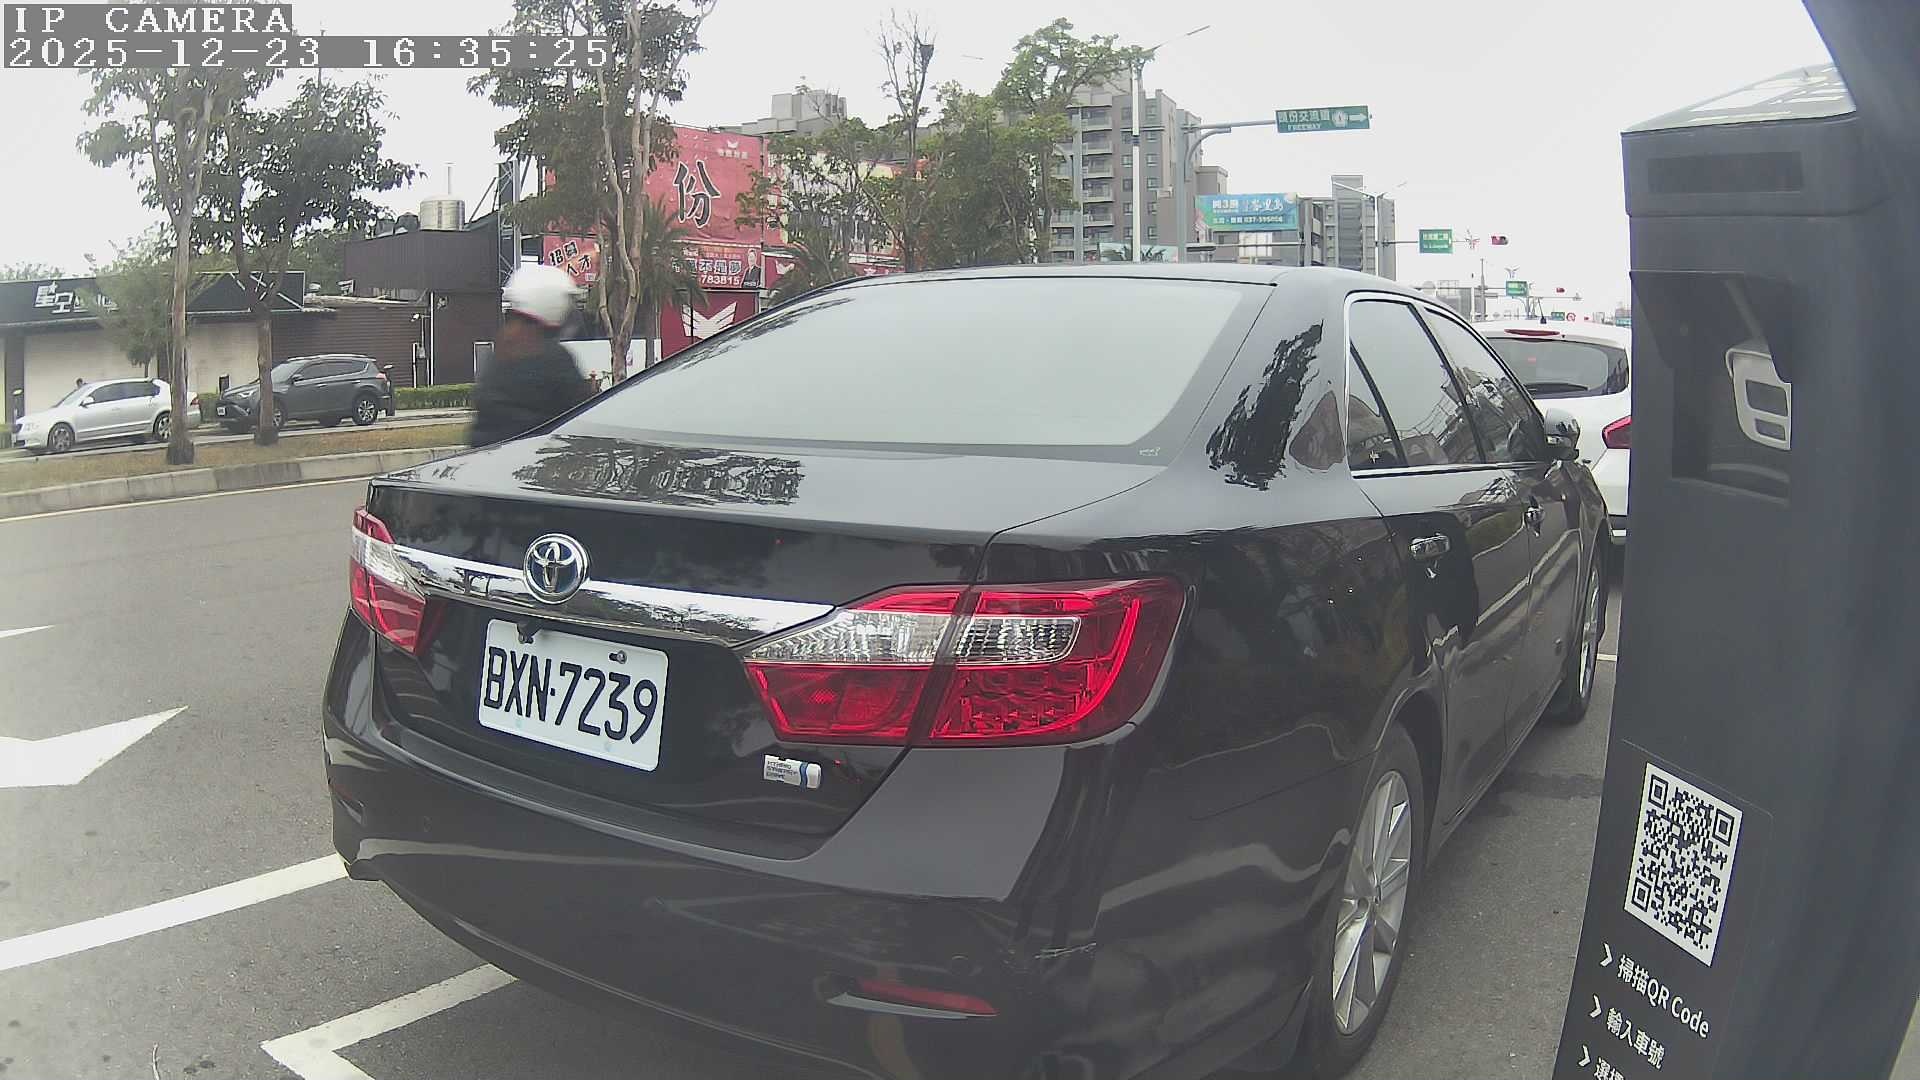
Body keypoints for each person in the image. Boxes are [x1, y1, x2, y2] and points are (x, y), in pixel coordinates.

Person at [468, 265, 594, 448]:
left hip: (487, 454)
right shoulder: (553, 358)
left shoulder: (504, 347)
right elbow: (584, 412)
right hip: (536, 456)